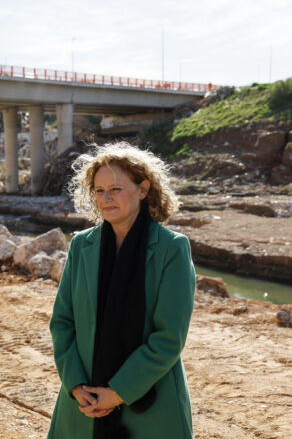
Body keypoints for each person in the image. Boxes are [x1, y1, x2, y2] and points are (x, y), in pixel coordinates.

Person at [48, 142, 195, 439]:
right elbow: (62, 322)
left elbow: (168, 338)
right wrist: (75, 385)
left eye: (115, 189)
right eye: (99, 190)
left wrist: (117, 393)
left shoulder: (171, 248)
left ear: (143, 189)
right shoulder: (81, 245)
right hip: (83, 401)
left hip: (150, 403)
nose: (106, 198)